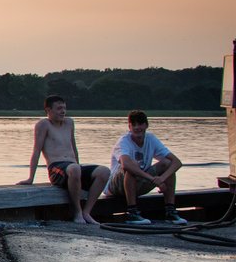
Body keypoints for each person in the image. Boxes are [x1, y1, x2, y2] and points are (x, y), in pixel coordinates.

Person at [18, 95, 111, 224]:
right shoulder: (44, 124)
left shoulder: (69, 122)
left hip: (73, 168)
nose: (63, 111)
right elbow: (36, 151)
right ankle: (77, 213)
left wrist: (78, 169)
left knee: (104, 171)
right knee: (74, 168)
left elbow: (73, 146)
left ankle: (87, 212)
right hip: (57, 169)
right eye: (59, 108)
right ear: (48, 110)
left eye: (64, 108)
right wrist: (30, 178)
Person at [106, 110, 185, 225]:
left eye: (140, 124)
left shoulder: (151, 139)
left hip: (139, 182)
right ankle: (132, 212)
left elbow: (177, 162)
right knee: (132, 165)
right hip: (116, 186)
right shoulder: (123, 141)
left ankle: (170, 210)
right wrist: (153, 179)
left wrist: (162, 179)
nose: (137, 127)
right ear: (129, 127)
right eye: (134, 124)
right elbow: (126, 165)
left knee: (167, 164)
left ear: (146, 125)